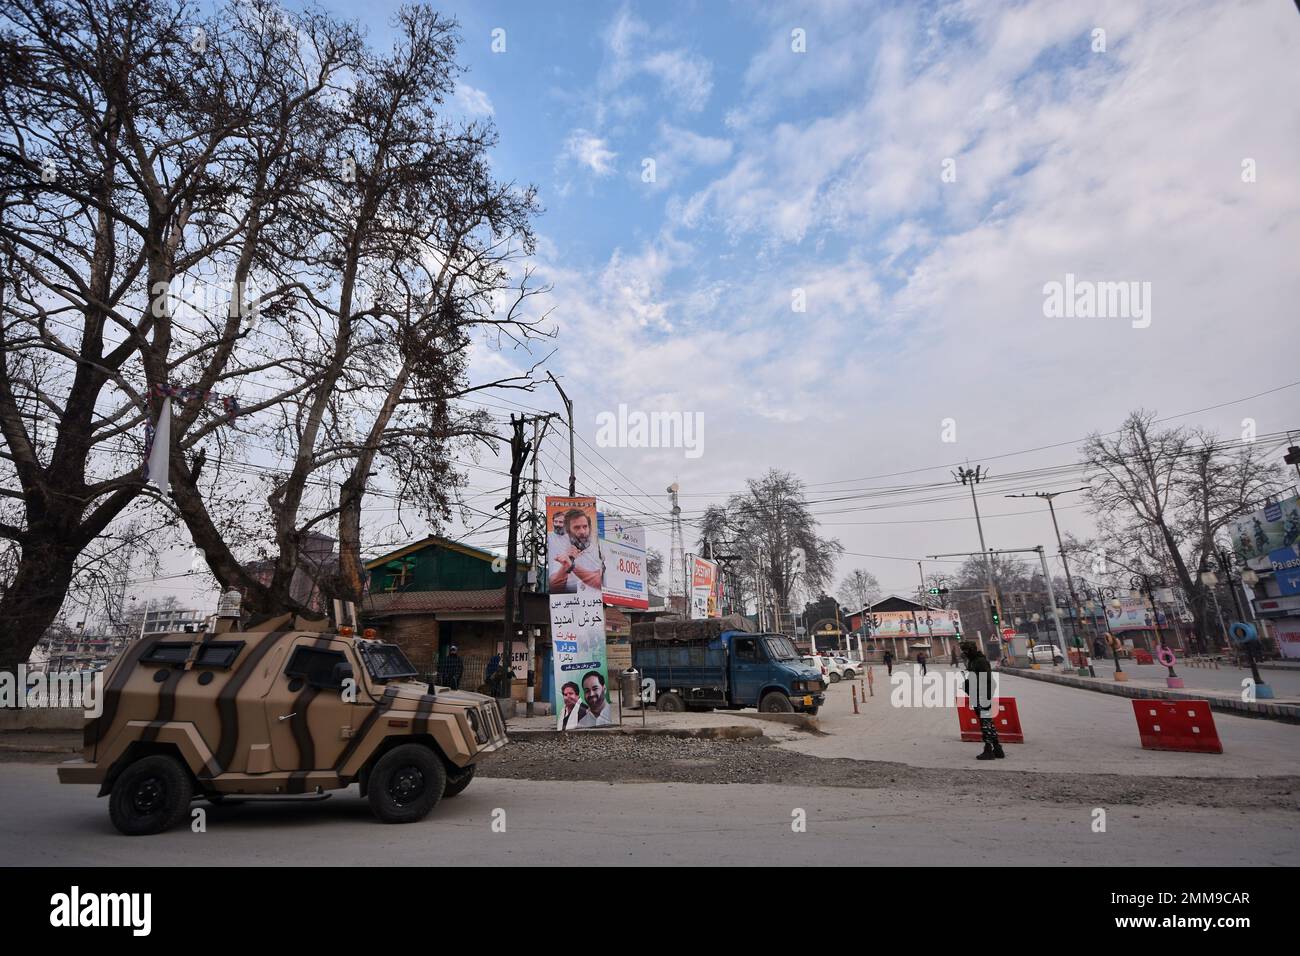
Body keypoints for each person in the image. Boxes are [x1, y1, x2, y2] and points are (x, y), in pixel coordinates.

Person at [960, 640, 1004, 760]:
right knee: (988, 722)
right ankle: (997, 748)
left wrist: (971, 686)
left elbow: (985, 679)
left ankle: (988, 749)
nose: (964, 653)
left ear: (971, 650)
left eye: (966, 650)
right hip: (979, 694)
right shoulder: (974, 661)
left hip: (983, 695)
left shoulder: (980, 661)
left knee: (985, 723)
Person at [548, 509, 604, 593]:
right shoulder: (562, 548)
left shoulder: (597, 548)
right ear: (568, 530)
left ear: (590, 527)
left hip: (595, 602)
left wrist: (572, 566)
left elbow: (599, 581)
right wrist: (566, 564)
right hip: (568, 602)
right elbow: (554, 587)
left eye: (585, 526)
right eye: (576, 527)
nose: (582, 531)